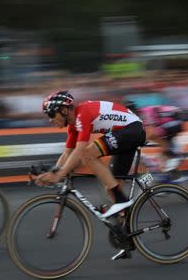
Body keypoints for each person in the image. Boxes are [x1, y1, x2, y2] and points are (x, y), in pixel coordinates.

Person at [33, 91, 146, 260]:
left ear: (64, 110)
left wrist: (60, 175)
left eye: (51, 114)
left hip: (132, 130)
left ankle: (122, 203)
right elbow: (67, 154)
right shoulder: (73, 125)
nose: (50, 119)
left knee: (87, 155)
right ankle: (126, 239)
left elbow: (79, 151)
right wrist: (52, 173)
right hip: (125, 133)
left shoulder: (82, 115)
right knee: (112, 186)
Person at [125, 101, 184, 172]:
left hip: (174, 121)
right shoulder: (140, 113)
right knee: (164, 147)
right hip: (172, 120)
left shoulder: (143, 113)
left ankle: (173, 154)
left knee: (153, 135)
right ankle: (171, 167)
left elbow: (149, 131)